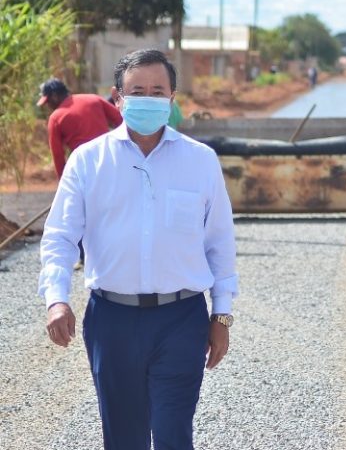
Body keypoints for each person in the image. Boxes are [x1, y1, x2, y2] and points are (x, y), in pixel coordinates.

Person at [38, 49, 238, 450]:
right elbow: (60, 236)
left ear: (173, 98)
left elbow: (219, 242)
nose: (148, 99)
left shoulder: (201, 161)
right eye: (138, 91)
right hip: (112, 321)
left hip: (182, 319)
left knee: (172, 434)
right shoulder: (88, 161)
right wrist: (56, 299)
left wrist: (221, 314)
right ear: (118, 98)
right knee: (124, 438)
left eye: (158, 91)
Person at [37, 78, 123, 269]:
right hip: (112, 162)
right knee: (113, 207)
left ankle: (85, 257)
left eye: (48, 101)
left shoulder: (56, 117)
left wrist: (64, 184)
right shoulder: (93, 99)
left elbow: (58, 155)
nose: (48, 106)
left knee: (82, 212)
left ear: (55, 96)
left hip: (82, 170)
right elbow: (121, 121)